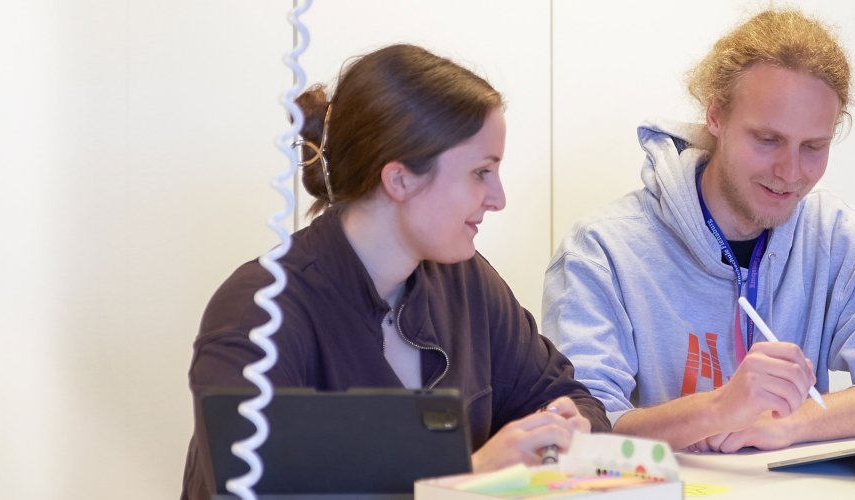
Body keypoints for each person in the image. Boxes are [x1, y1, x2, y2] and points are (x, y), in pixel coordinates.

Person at [182, 44, 607, 499]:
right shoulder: (257, 309)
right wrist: (468, 472)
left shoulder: (468, 283)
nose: (498, 198)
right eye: (481, 172)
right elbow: (255, 489)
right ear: (400, 179)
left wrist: (570, 425)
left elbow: (568, 397)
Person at [542, 9, 855, 453]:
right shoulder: (602, 251)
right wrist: (717, 409)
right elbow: (580, 431)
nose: (791, 172)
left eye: (814, 147)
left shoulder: (838, 238)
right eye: (767, 140)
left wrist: (795, 422)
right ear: (716, 116)